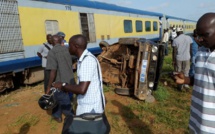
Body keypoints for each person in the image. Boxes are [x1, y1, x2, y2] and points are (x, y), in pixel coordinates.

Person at [174, 13, 215, 134]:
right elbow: (204, 80)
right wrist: (186, 80)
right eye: (198, 35)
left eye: (205, 35)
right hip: (196, 120)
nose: (200, 39)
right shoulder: (201, 52)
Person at [52, 34, 105, 116]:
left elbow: (81, 89)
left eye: (70, 45)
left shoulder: (87, 61)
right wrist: (69, 88)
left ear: (76, 46)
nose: (68, 48)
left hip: (90, 110)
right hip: (87, 106)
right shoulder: (82, 59)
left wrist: (62, 85)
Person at [46, 35, 76, 123]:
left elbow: (53, 71)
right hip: (70, 79)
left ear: (52, 42)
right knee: (66, 97)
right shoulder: (67, 49)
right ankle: (59, 115)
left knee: (60, 98)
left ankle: (68, 116)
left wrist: (48, 86)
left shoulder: (52, 52)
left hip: (60, 81)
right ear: (61, 40)